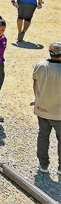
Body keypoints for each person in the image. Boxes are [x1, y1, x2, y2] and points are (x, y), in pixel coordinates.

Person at [32, 41, 61, 174]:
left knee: (43, 136)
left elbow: (35, 84)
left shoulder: (40, 65)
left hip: (42, 109)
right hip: (58, 113)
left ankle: (43, 165)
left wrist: (37, 99)